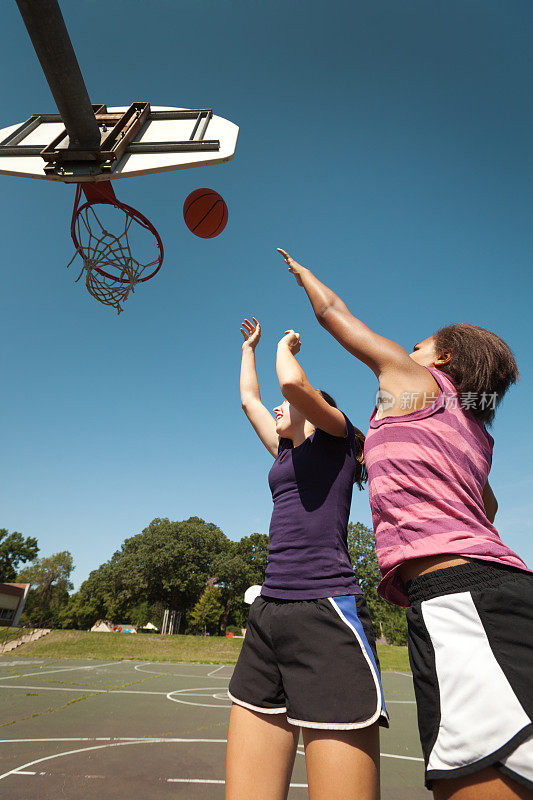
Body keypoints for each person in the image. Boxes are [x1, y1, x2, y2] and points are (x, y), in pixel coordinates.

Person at [277, 248, 533, 800]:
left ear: (442, 359)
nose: (409, 349)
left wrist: (304, 276)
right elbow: (487, 508)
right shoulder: (474, 432)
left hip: (459, 599)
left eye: (419, 344)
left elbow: (334, 314)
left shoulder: (414, 381)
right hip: (501, 587)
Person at [225, 317, 388, 800]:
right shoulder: (284, 454)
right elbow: (249, 400)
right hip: (269, 615)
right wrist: (249, 350)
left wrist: (284, 343)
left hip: (326, 613)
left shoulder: (339, 443)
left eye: (289, 407)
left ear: (316, 413)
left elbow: (292, 384)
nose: (278, 407)